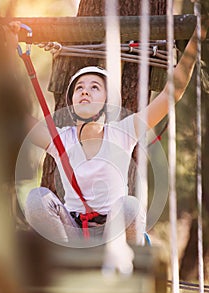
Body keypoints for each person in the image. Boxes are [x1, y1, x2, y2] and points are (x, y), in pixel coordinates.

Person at [23, 15, 208, 249]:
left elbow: (172, 93)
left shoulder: (123, 132)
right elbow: (14, 115)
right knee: (36, 199)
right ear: (71, 102)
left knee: (130, 206)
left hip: (115, 233)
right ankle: (68, 259)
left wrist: (196, 38)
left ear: (108, 101)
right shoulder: (61, 139)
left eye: (94, 88)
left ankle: (121, 264)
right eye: (79, 88)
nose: (85, 92)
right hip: (72, 233)